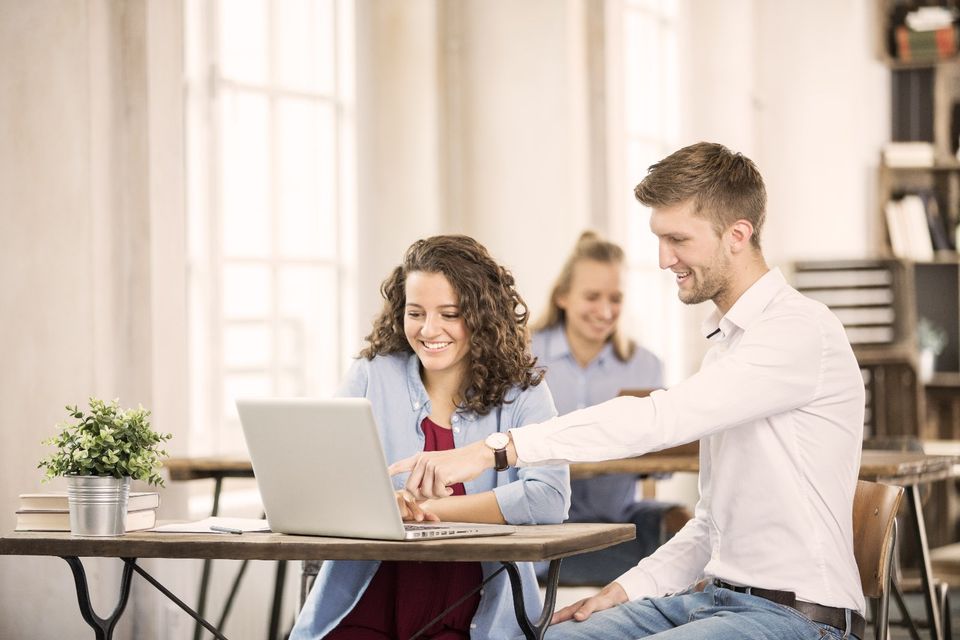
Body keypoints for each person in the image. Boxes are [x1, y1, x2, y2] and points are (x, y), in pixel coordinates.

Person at [391, 142, 867, 640]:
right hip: (708, 600)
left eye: (678, 239)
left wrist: (500, 449)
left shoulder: (798, 331)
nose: (664, 259)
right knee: (549, 637)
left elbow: (660, 418)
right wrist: (623, 590)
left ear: (737, 235)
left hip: (795, 617)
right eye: (660, 239)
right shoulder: (726, 346)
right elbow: (710, 525)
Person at [290, 234, 570, 640]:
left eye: (449, 313)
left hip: (473, 610)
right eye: (416, 312)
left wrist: (424, 512)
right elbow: (323, 478)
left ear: (482, 315)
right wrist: (385, 506)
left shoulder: (522, 391)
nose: (428, 329)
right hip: (365, 599)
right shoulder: (372, 374)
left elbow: (549, 498)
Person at [530, 230, 690, 585]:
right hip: (540, 530)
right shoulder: (523, 356)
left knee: (688, 527)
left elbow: (661, 466)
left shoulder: (645, 364)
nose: (604, 311)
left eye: (615, 298)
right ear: (562, 297)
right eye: (592, 297)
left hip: (612, 524)